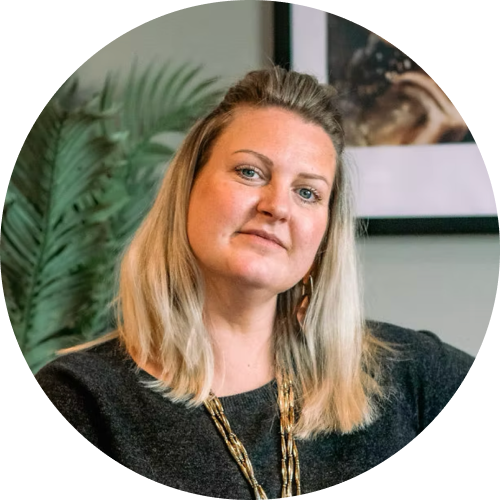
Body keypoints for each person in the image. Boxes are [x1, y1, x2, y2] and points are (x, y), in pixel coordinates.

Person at [35, 67, 474, 499]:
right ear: (187, 188)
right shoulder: (81, 400)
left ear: (325, 234)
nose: (277, 207)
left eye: (307, 192)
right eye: (250, 172)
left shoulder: (406, 373)